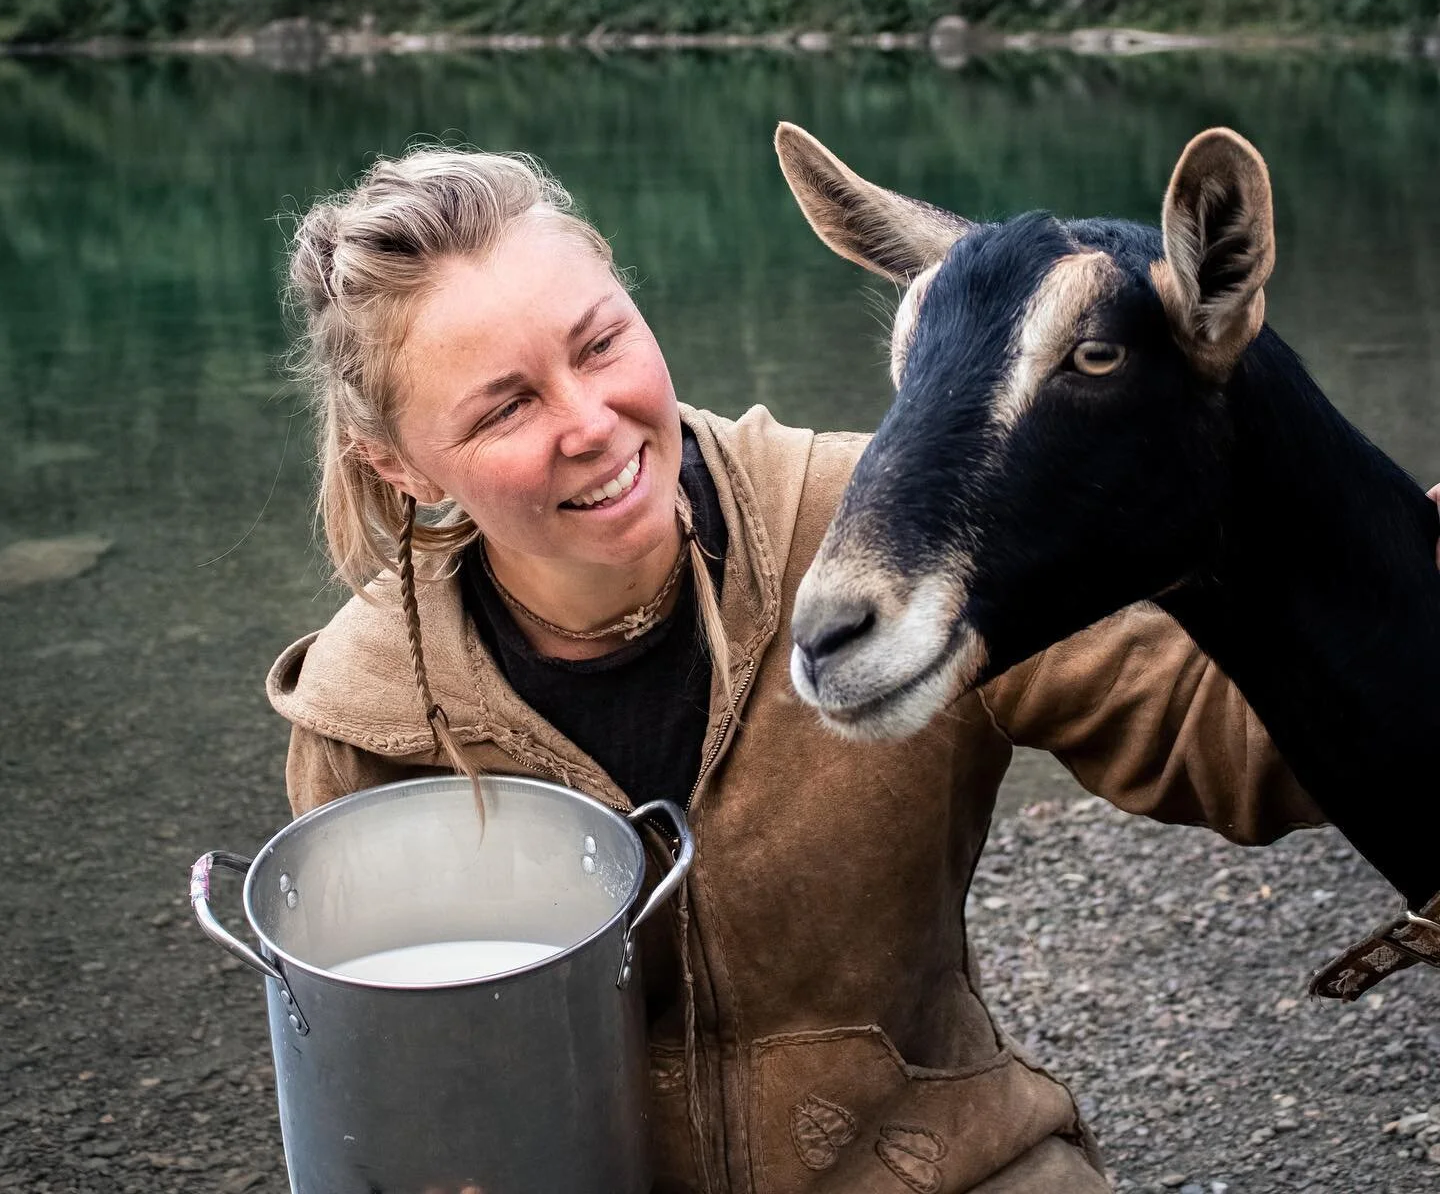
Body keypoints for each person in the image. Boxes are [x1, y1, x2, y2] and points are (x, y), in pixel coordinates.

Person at [268, 145, 1321, 1194]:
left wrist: (1399, 604)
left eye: (601, 344)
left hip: (953, 1172)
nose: (590, 424)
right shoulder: (374, 712)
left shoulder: (882, 538)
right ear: (397, 464)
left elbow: (1218, 734)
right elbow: (383, 1108)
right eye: (507, 408)